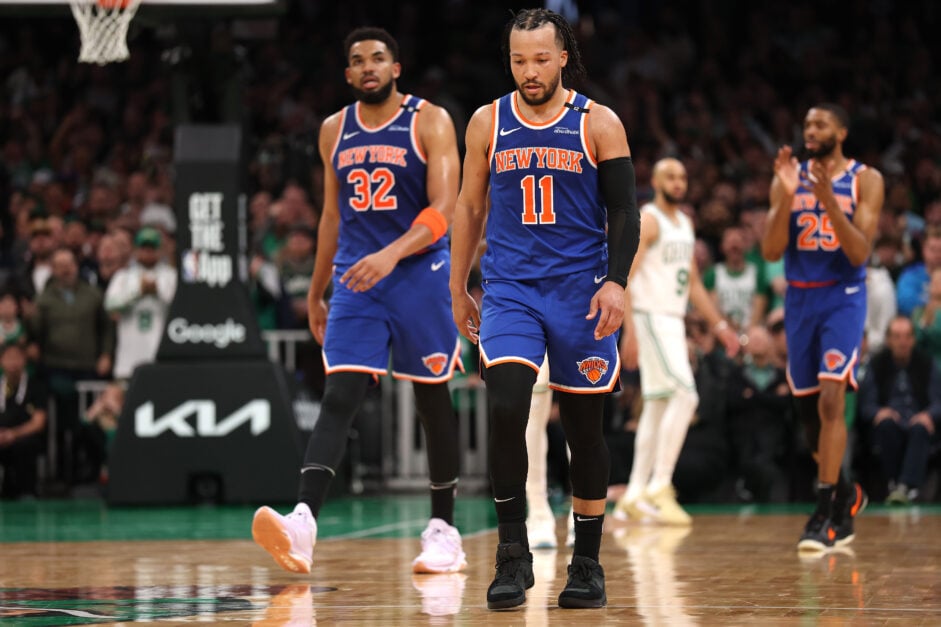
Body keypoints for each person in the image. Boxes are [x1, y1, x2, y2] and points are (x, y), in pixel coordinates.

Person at [251, 27, 466, 577]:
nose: (368, 66)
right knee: (340, 393)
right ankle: (303, 523)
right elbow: (331, 216)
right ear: (348, 75)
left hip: (418, 273)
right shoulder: (334, 129)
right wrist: (317, 290)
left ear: (396, 68)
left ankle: (443, 529)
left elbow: (444, 207)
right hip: (357, 277)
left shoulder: (430, 120)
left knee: (431, 398)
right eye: (357, 60)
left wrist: (392, 255)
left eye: (377, 57)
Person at [449, 8, 640, 609]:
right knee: (507, 407)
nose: (529, 71)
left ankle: (587, 564)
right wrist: (457, 287)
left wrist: (616, 283)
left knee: (583, 430)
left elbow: (625, 211)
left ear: (562, 57)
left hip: (581, 293)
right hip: (511, 290)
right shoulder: (487, 121)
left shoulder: (599, 121)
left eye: (539, 59)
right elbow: (468, 207)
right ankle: (513, 553)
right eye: (518, 60)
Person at [761, 103, 884, 551]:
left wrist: (829, 200)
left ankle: (825, 512)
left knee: (833, 397)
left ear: (841, 132)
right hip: (800, 300)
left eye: (821, 124)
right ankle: (847, 492)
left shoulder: (866, 179)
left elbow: (859, 252)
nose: (810, 130)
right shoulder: (788, 176)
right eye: (807, 124)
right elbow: (771, 251)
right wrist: (787, 196)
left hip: (842, 297)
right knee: (809, 418)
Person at [615, 158, 740, 525]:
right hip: (650, 315)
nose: (678, 182)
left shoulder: (685, 223)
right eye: (670, 176)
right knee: (686, 395)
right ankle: (660, 485)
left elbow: (694, 283)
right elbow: (625, 276)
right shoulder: (649, 220)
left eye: (683, 177)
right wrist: (629, 330)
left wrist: (720, 326)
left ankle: (634, 492)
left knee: (657, 405)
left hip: (672, 318)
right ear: (655, 182)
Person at [859, 315, 941, 505]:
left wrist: (928, 414)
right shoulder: (876, 364)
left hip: (918, 423)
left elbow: (939, 401)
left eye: (907, 336)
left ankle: (905, 487)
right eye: (897, 336)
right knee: (886, 425)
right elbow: (866, 405)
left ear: (913, 340)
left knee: (920, 428)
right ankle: (895, 484)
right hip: (890, 424)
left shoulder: (927, 363)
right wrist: (879, 412)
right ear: (888, 340)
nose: (902, 342)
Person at [104, 227, 177, 380]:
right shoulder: (123, 276)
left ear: (160, 250)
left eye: (152, 248)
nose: (148, 252)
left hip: (160, 356)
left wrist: (157, 291)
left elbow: (181, 306)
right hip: (128, 360)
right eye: (144, 248)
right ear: (136, 250)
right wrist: (137, 294)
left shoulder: (171, 276)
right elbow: (110, 305)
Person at [0, 342, 47, 498]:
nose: (13, 363)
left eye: (17, 358)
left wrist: (13, 434)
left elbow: (38, 423)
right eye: (8, 358)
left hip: (24, 437)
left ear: (24, 360)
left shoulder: (36, 386)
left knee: (24, 446)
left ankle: (27, 492)